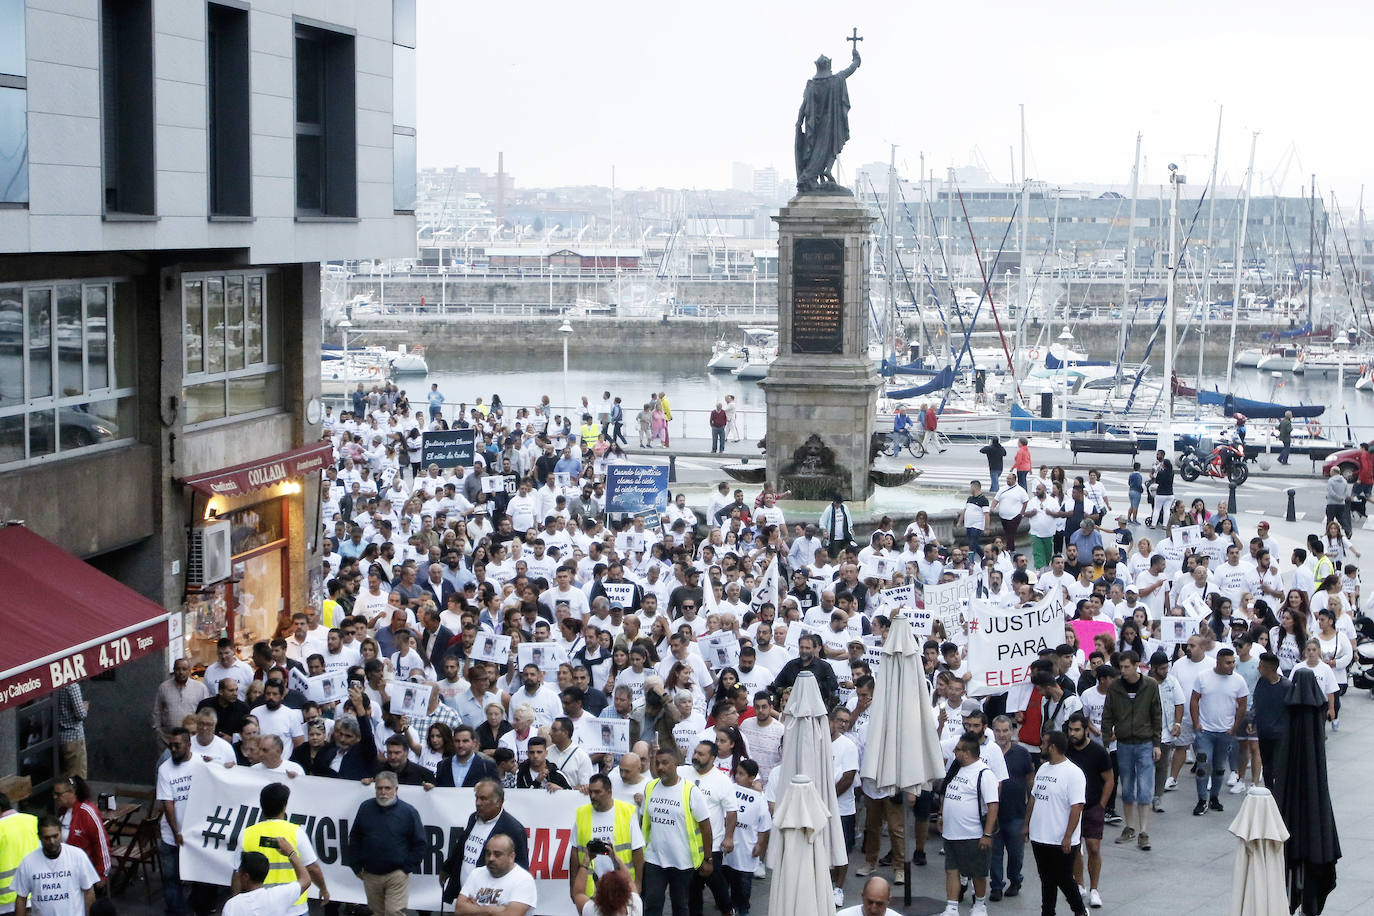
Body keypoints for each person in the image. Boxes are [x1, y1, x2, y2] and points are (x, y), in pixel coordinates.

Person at [1099, 651, 1161, 852]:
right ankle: (1129, 826)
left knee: (1145, 789)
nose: (1123, 671)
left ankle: (1143, 831)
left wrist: (1157, 743)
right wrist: (1107, 740)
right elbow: (1107, 714)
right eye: (1121, 667)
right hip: (1124, 742)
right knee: (1126, 788)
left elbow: (1156, 714)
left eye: (1126, 667)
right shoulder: (1115, 687)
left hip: (1144, 742)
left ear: (1136, 665)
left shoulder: (1150, 685)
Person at [640, 746, 713, 916]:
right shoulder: (650, 787)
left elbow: (705, 827)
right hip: (654, 859)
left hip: (682, 861)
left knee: (680, 906)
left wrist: (708, 858)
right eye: (657, 763)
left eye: (665, 763)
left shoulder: (690, 792)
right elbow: (643, 820)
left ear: (676, 764)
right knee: (652, 904)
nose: (660, 767)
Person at [238, 783, 327, 916]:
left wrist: (237, 901)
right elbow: (312, 868)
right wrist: (323, 890)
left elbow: (236, 874)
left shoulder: (247, 834)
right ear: (284, 806)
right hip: (294, 908)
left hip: (260, 908)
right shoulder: (296, 833)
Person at [345, 771, 426, 916]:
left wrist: (406, 869)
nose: (383, 792)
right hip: (370, 874)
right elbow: (355, 838)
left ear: (396, 789)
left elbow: (420, 843)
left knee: (394, 912)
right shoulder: (365, 808)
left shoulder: (408, 812)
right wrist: (356, 866)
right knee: (377, 912)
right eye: (379, 788)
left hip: (396, 874)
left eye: (387, 788)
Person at [1024, 731, 1087, 916]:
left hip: (1061, 839)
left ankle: (1080, 911)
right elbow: (1034, 799)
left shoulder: (1073, 773)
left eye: (1043, 744)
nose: (1040, 747)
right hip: (1040, 836)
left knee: (1065, 878)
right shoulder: (1043, 769)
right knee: (1046, 879)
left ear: (1052, 747)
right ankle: (1048, 912)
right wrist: (1027, 825)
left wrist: (1068, 836)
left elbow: (1077, 807)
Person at [938, 734, 1000, 916]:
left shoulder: (984, 773)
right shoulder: (957, 769)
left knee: (978, 872)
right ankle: (951, 907)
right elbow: (949, 792)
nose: (954, 751)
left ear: (966, 753)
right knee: (951, 869)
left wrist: (987, 834)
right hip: (951, 833)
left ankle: (980, 905)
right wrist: (942, 814)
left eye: (957, 749)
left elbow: (993, 805)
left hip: (973, 833)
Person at [441, 779, 531, 904]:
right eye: (476, 798)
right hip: (465, 895)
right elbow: (462, 847)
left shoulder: (513, 829)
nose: (478, 803)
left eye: (483, 799)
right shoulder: (474, 818)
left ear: (498, 801)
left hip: (489, 901)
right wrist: (447, 868)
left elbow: (521, 869)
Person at [1189, 647, 1249, 817]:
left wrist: (1234, 727)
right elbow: (1194, 699)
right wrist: (1196, 723)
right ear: (1219, 662)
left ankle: (1214, 797)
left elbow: (1243, 704)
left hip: (1225, 732)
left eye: (1233, 662)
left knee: (1219, 767)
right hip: (1205, 731)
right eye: (1228, 663)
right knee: (1203, 764)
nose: (1232, 666)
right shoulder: (1203, 677)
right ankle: (1202, 800)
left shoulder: (1238, 681)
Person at [1064, 714, 1113, 909]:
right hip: (1071, 807)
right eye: (1070, 730)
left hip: (1093, 806)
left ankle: (1094, 889)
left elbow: (1109, 780)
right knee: (1075, 848)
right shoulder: (1065, 750)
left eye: (1077, 730)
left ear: (1086, 730)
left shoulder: (1099, 752)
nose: (1073, 734)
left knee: (1093, 847)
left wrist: (1101, 805)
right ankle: (1080, 884)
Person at [574, 774, 645, 894]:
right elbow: (574, 852)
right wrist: (573, 884)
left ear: (609, 792)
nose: (592, 796)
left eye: (597, 792)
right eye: (590, 792)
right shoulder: (581, 814)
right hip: (591, 889)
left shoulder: (626, 812)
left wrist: (638, 884)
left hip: (622, 885)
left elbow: (638, 851)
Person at [988, 716, 1031, 902]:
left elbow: (1031, 781)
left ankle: (1015, 879)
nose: (1002, 734)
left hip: (1016, 813)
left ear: (1012, 731)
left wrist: (1031, 813)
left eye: (1005, 730)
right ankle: (996, 886)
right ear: (993, 731)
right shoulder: (987, 752)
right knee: (994, 854)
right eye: (998, 730)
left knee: (1016, 854)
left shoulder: (1022, 753)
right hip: (993, 814)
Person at [221, 836, 312, 916]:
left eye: (239, 871)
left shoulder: (232, 905)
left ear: (245, 877)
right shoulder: (278, 896)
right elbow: (306, 880)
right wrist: (291, 853)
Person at [453, 833, 537, 916]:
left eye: (497, 854)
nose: (491, 858)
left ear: (511, 857)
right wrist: (491, 910)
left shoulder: (523, 880)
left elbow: (511, 914)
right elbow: (459, 909)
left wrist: (475, 909)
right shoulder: (476, 873)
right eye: (488, 853)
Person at [51, 777, 109, 887]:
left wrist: (102, 874)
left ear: (72, 792)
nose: (55, 797)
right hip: (63, 871)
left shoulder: (87, 812)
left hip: (83, 873)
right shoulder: (62, 811)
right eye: (53, 793)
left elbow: (101, 843)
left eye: (58, 794)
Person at [993, 472, 1029, 552]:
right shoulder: (1002, 489)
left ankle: (1009, 548)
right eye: (1007, 479)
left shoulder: (1020, 490)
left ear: (1014, 480)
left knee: (1010, 533)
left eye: (1010, 479)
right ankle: (1011, 548)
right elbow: (996, 499)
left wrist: (1021, 513)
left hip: (1015, 516)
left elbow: (1025, 502)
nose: (1008, 480)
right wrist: (992, 508)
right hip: (1003, 516)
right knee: (1007, 532)